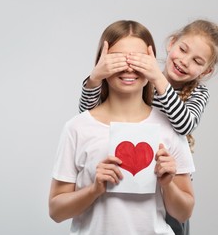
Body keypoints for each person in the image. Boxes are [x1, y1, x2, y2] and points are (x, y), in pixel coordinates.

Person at [78, 19, 218, 234]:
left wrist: (158, 78)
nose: (185, 61)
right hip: (129, 176)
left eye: (197, 61)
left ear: (206, 71)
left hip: (168, 182)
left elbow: (184, 124)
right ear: (171, 43)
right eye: (183, 50)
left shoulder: (196, 92)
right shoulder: (141, 78)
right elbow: (87, 116)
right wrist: (95, 78)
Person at [49, 20, 195, 235]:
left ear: (152, 64)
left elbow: (183, 213)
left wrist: (168, 183)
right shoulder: (77, 127)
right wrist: (94, 189)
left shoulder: (169, 127)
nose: (128, 66)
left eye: (139, 59)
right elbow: (56, 211)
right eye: (117, 58)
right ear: (102, 63)